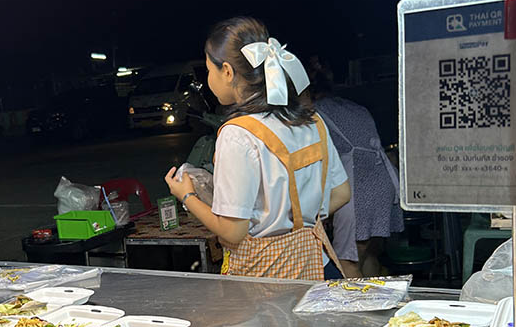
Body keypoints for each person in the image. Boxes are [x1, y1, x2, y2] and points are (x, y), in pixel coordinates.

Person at [164, 17, 350, 279]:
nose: (208, 80)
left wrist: (186, 195)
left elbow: (232, 231)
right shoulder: (311, 120)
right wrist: (299, 222)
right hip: (317, 267)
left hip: (268, 281)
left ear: (227, 72)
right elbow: (341, 193)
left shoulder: (238, 134)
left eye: (209, 70)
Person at [312, 62, 403, 278]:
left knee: (347, 260)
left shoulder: (315, 114)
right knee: (370, 253)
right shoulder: (353, 107)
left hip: (359, 183)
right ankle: (376, 306)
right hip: (383, 180)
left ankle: (358, 311)